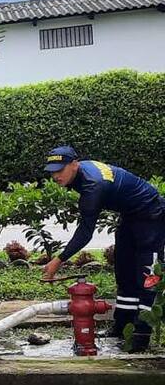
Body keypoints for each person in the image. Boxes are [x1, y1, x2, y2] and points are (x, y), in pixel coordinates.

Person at [41, 146, 165, 352]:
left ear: (74, 164)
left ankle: (141, 335)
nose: (55, 176)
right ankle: (122, 326)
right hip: (130, 216)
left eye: (60, 170)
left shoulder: (92, 185)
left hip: (151, 215)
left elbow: (85, 232)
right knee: (124, 270)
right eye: (52, 171)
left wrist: (58, 260)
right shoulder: (81, 174)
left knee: (147, 275)